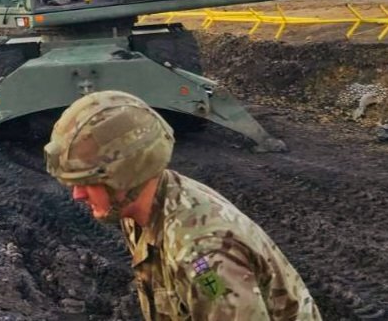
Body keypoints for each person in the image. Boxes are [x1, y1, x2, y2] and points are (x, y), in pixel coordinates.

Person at [45, 91, 321, 320]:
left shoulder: (203, 254)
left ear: (125, 175)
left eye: (88, 182)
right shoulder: (144, 206)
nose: (78, 195)